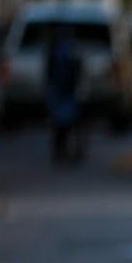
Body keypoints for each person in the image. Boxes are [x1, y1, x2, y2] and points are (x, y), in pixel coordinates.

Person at [44, 25, 85, 163]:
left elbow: (48, 71)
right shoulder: (70, 50)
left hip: (60, 91)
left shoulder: (56, 50)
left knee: (60, 123)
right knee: (69, 122)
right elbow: (78, 70)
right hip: (66, 91)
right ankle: (65, 151)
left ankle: (60, 151)